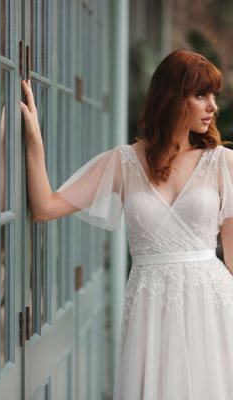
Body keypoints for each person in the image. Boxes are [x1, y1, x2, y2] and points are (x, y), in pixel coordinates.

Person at [21, 49, 233, 399]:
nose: (212, 106)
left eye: (214, 96)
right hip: (151, 308)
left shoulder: (223, 163)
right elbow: (45, 206)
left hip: (212, 310)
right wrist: (33, 141)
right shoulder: (123, 162)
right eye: (200, 95)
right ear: (171, 97)